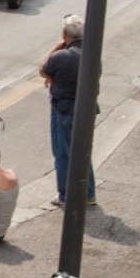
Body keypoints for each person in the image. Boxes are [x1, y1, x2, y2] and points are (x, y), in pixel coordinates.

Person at [39, 16, 97, 206]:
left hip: (65, 110)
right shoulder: (92, 54)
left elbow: (43, 69)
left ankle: (65, 196)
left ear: (65, 35)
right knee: (83, 151)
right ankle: (89, 193)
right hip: (87, 110)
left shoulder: (61, 56)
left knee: (63, 153)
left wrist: (57, 47)